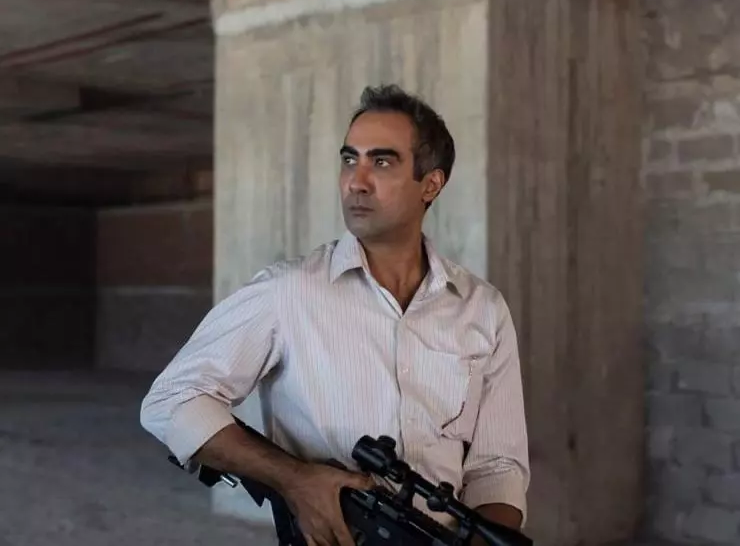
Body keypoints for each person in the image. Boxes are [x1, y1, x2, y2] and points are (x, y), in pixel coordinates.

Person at [140, 84, 530, 546]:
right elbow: (173, 399)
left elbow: (498, 467)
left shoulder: (482, 308)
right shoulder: (287, 292)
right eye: (349, 159)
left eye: (381, 162)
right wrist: (294, 479)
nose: (356, 181)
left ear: (431, 184)